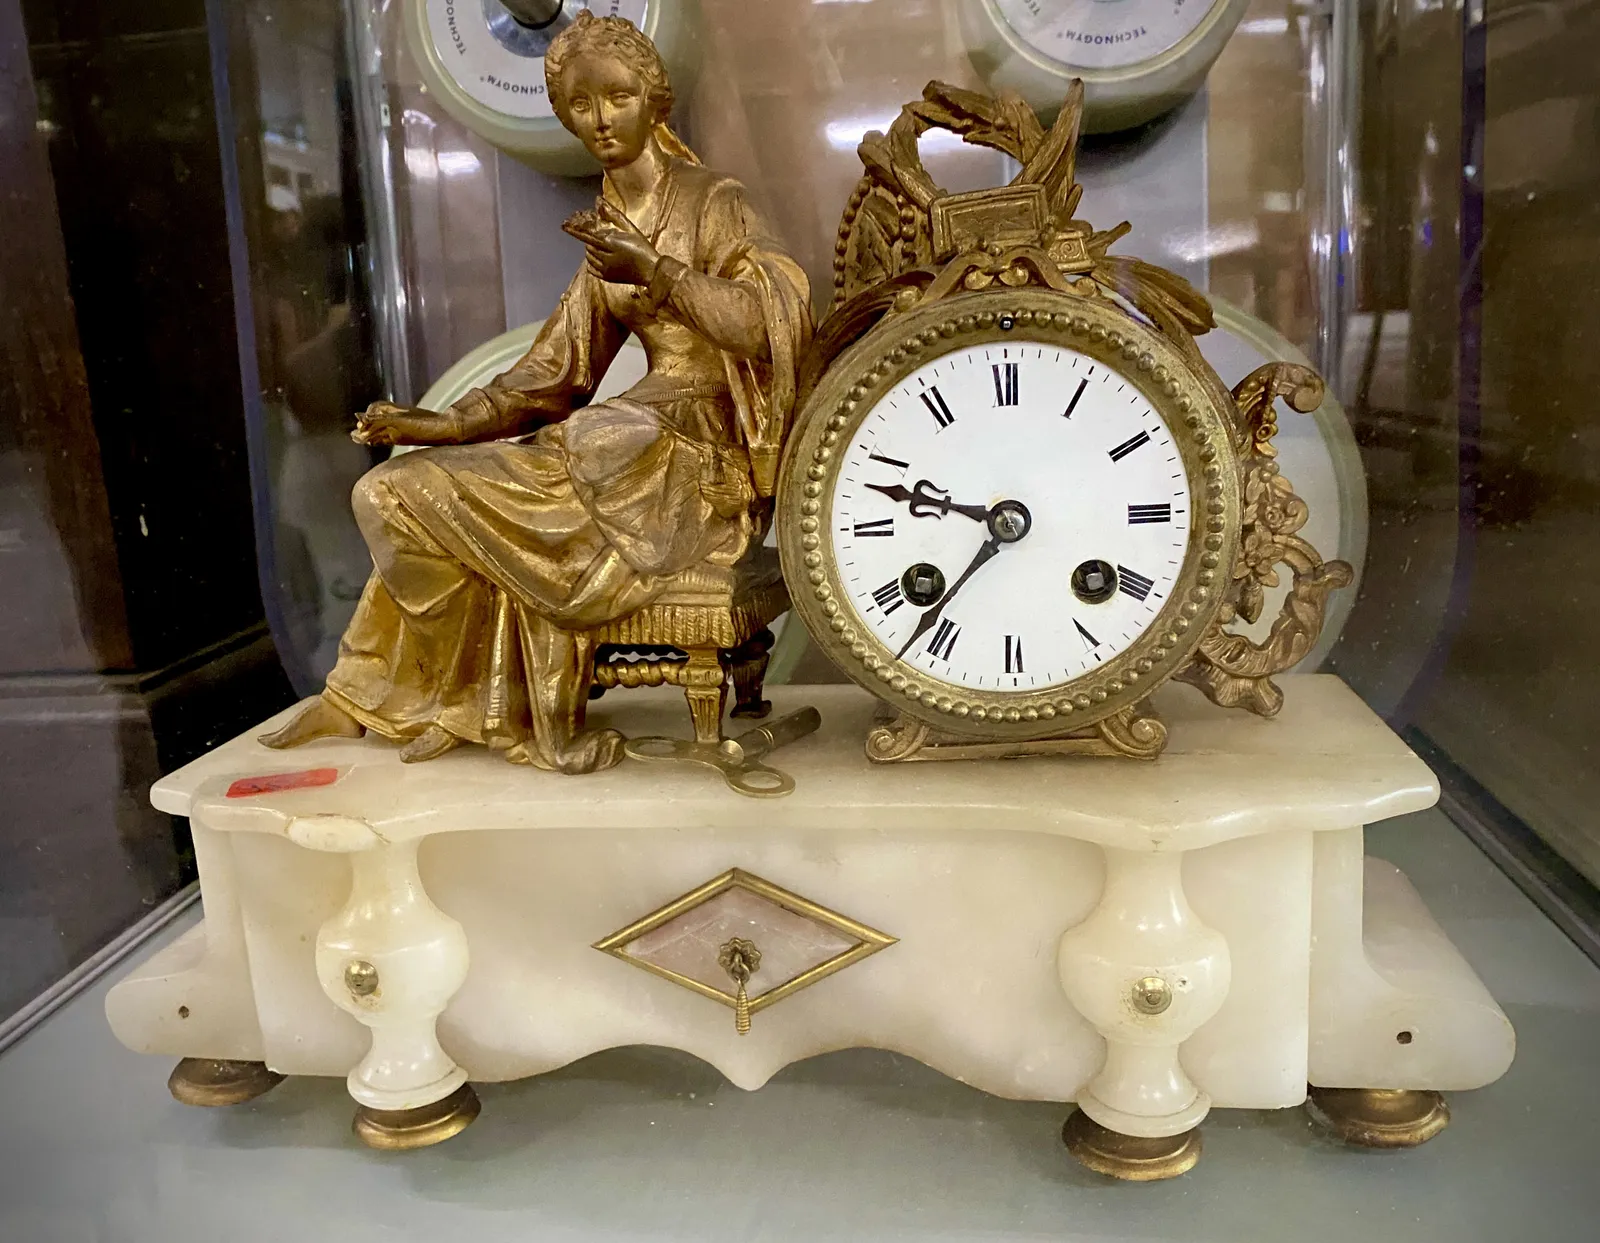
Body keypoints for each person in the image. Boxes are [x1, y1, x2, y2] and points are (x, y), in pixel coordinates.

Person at [261, 12, 811, 773]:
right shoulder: (608, 225)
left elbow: (767, 321)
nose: (599, 119)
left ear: (655, 99)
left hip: (699, 463)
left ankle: (457, 702)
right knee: (392, 494)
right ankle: (388, 698)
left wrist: (658, 271)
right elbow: (556, 373)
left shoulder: (715, 202)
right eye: (580, 105)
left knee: (597, 438)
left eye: (616, 96)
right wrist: (441, 425)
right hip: (622, 443)